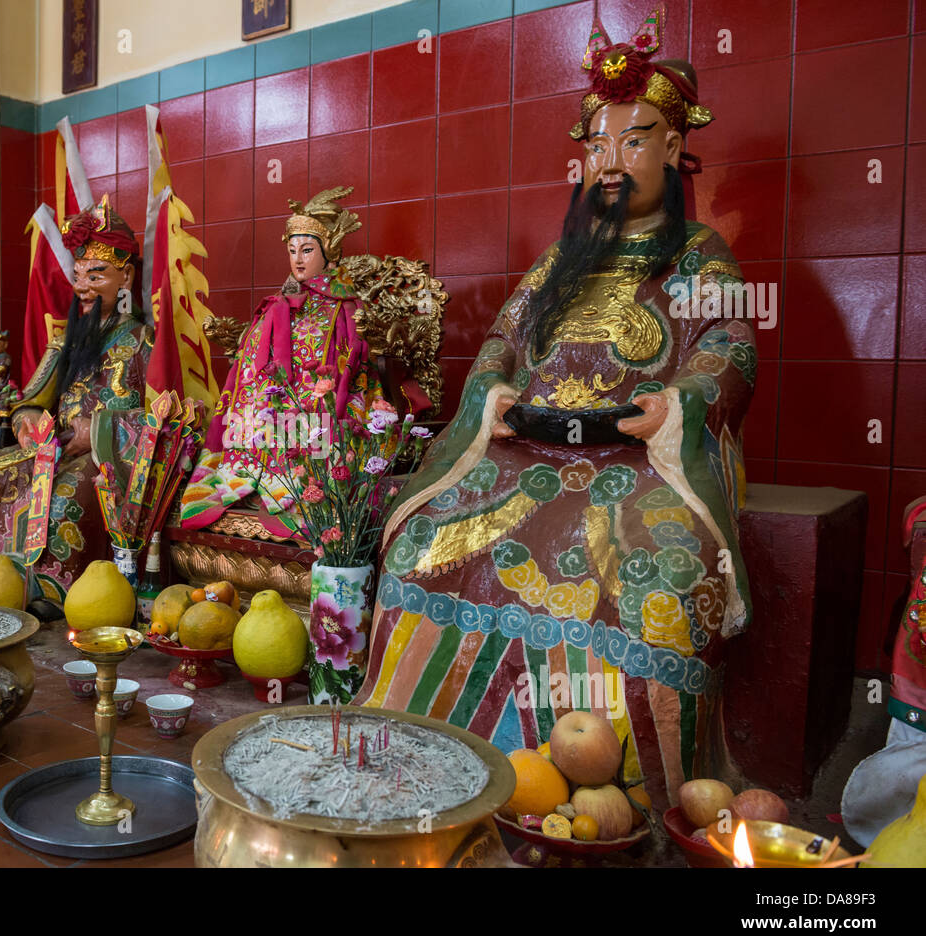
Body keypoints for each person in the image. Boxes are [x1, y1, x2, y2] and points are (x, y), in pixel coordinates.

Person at [354, 11, 756, 809]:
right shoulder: (559, 260)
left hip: (641, 463)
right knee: (419, 545)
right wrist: (493, 393)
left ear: (673, 151)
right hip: (524, 457)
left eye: (634, 141)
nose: (611, 162)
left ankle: (617, 785)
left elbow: (731, 343)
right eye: (597, 145)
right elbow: (503, 337)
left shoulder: (698, 252)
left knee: (661, 580)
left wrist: (679, 402)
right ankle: (429, 748)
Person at [0, 196, 151, 591]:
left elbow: (160, 418)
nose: (83, 288)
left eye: (97, 275)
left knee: (64, 498)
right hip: (50, 451)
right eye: (78, 276)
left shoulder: (145, 341)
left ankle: (48, 593)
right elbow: (31, 400)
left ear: (125, 278)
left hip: (106, 462)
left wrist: (97, 430)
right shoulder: (64, 343)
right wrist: (26, 425)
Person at [179, 187, 386, 538]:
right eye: (292, 251)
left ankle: (300, 474)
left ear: (327, 252)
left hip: (316, 414)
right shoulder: (278, 304)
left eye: (307, 250)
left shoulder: (343, 308)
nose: (298, 260)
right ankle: (254, 465)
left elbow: (351, 361)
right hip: (271, 417)